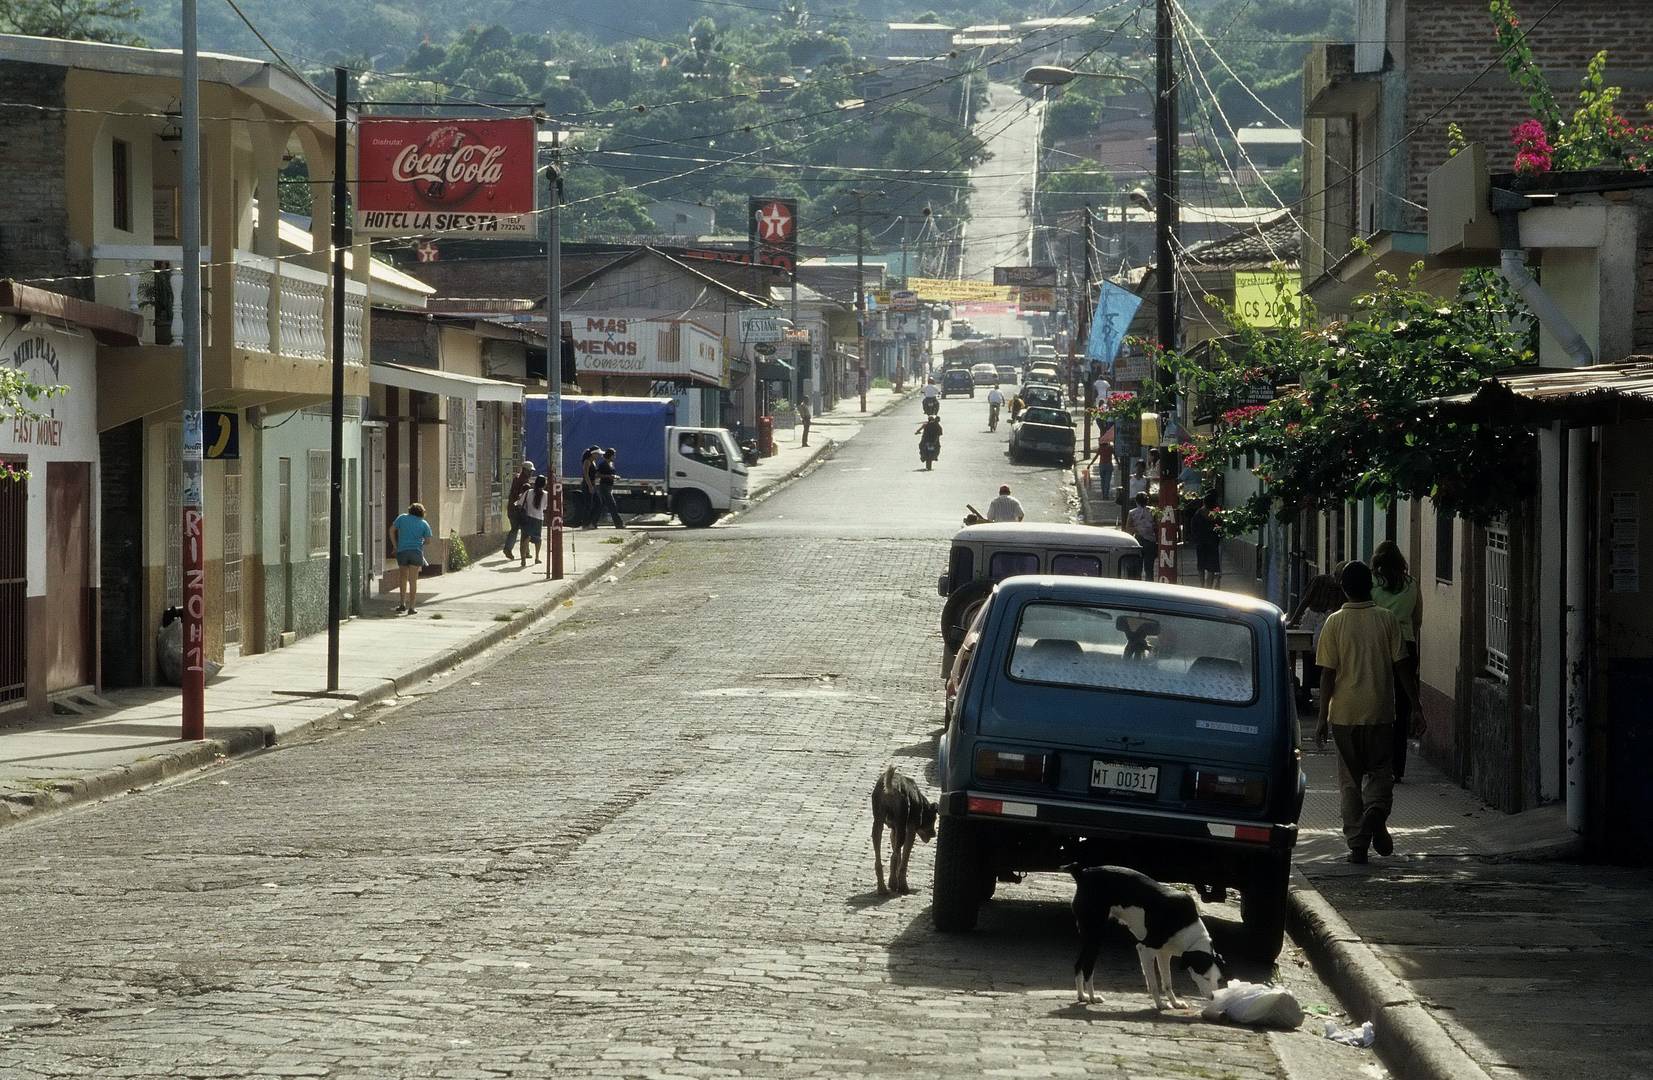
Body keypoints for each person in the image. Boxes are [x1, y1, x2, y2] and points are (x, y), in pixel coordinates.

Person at [1314, 560, 1422, 864]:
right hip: (1380, 712)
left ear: (1344, 589)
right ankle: (1375, 811)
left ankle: (1357, 844)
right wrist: (1417, 707)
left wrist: (1322, 718)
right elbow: (1403, 667)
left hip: (1344, 716)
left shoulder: (1333, 623)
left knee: (1349, 781)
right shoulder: (1387, 620)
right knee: (1380, 772)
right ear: (1370, 587)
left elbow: (1327, 675)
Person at [1372, 540, 1424, 780]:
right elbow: (1418, 619)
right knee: (1401, 708)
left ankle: (1378, 762)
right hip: (1406, 645)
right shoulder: (1412, 585)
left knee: (1378, 703)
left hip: (1379, 646)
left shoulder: (1372, 584)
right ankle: (1398, 768)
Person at [1288, 573, 1347, 710]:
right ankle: (1310, 692)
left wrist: (1293, 622)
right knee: (1322, 658)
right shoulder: (1336, 589)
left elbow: (1305, 601)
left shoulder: (1320, 581)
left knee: (1308, 656)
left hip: (1314, 621)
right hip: (1324, 622)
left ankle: (1305, 691)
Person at [388, 502, 432, 615]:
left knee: (403, 578)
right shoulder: (424, 523)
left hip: (402, 551)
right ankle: (412, 607)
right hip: (416, 552)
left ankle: (402, 604)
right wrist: (420, 541)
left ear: (410, 510)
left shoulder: (402, 518)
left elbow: (391, 530)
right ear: (422, 512)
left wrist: (395, 545)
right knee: (413, 580)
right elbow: (428, 541)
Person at [501, 460, 535, 559]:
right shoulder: (524, 482)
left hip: (512, 508)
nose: (531, 473)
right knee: (525, 531)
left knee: (514, 529)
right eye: (530, 471)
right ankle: (525, 552)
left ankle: (509, 549)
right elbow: (523, 497)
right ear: (525, 470)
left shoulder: (516, 478)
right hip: (519, 510)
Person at [1189, 492, 1223, 589]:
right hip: (1212, 543)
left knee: (1201, 565)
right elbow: (1220, 526)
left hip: (1201, 542)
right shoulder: (1216, 513)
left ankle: (1202, 585)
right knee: (1211, 567)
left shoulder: (1199, 513)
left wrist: (1195, 538)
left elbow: (1193, 527)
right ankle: (1208, 587)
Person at [515, 475, 548, 567]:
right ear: (544, 484)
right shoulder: (546, 494)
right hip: (538, 519)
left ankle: (523, 559)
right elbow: (545, 507)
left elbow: (520, 503)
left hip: (527, 517)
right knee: (537, 538)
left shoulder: (528, 492)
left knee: (525, 538)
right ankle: (537, 558)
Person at [1126, 492, 1157, 582]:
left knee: (1137, 567)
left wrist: (1138, 529)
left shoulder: (1132, 513)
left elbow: (1128, 528)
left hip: (1138, 540)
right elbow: (1157, 526)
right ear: (1147, 501)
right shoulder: (1153, 511)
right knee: (1149, 568)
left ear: (1136, 501)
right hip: (1150, 541)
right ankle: (1150, 585)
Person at [596, 447, 625, 529]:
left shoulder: (611, 464)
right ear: (610, 455)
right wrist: (609, 476)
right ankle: (619, 524)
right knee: (612, 505)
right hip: (604, 486)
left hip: (609, 487)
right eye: (613, 455)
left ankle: (593, 522)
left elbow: (612, 474)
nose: (614, 457)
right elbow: (597, 475)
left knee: (601, 506)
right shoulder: (603, 464)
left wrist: (615, 477)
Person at [580, 446, 601, 530]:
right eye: (597, 454)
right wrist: (590, 486)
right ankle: (585, 524)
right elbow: (586, 475)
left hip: (592, 484)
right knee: (588, 505)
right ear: (593, 454)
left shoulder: (594, 461)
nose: (598, 455)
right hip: (587, 484)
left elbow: (593, 474)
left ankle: (592, 522)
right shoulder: (587, 461)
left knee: (598, 503)